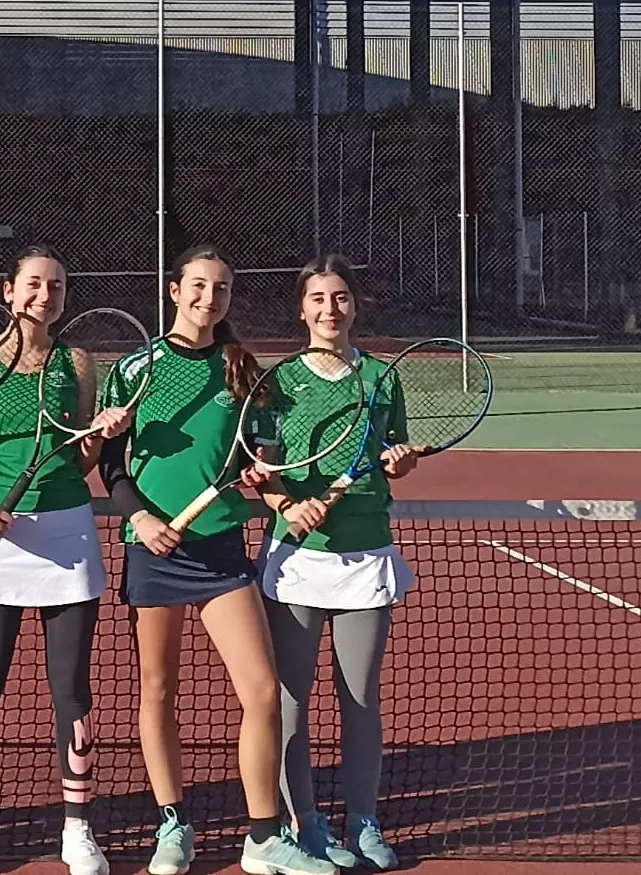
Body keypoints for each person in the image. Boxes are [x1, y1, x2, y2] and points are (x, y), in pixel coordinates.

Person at [98, 246, 340, 875]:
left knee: (261, 692)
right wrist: (141, 518)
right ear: (175, 290)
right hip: (154, 549)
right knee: (158, 691)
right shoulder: (135, 370)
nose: (211, 298)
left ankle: (263, 837)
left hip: (222, 550)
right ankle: (172, 823)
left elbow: (260, 452)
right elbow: (113, 465)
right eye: (199, 286)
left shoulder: (242, 368)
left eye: (223, 288)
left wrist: (265, 482)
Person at [0, 246, 130, 875]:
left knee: (71, 688)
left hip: (68, 537)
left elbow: (82, 461)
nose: (46, 295)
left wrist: (101, 433)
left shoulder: (77, 362)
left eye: (58, 286)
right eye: (35, 284)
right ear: (9, 291)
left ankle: (77, 827)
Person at [257, 257, 418, 872]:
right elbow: (264, 470)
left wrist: (399, 462)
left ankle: (364, 819)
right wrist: (284, 505)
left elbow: (390, 454)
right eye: (319, 299)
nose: (330, 310)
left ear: (355, 306)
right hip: (297, 559)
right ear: (302, 310)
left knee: (359, 698)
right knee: (291, 700)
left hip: (365, 552)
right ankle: (307, 823)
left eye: (341, 297)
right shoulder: (276, 383)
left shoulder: (381, 378)